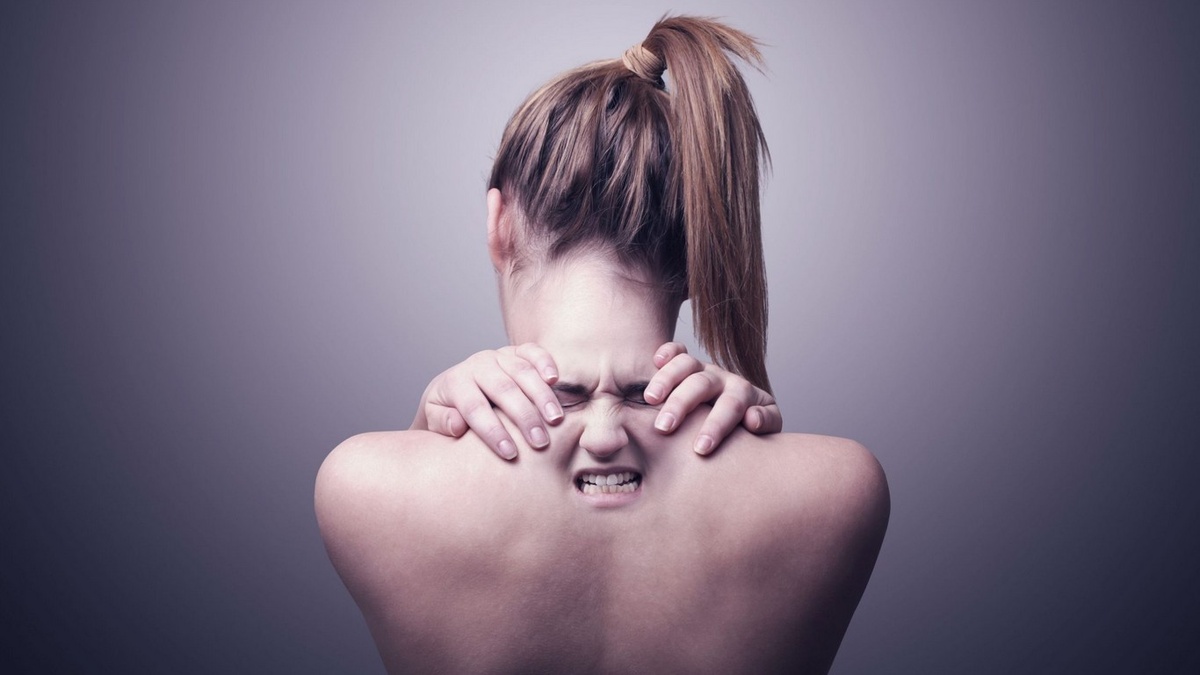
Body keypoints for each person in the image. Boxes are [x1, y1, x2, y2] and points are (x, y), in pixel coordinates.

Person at [316, 16, 889, 674]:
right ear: (702, 246)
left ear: (500, 226)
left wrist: (425, 434)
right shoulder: (840, 491)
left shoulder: (361, 487)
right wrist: (758, 449)